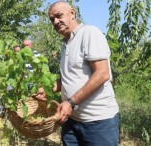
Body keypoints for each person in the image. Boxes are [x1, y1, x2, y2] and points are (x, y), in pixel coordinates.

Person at [37, 1, 120, 145]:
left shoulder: (89, 33)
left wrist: (71, 102)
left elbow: (102, 74)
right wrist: (48, 89)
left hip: (98, 122)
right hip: (71, 121)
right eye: (52, 19)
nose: (56, 21)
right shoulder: (66, 43)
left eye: (59, 16)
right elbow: (68, 78)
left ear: (73, 13)